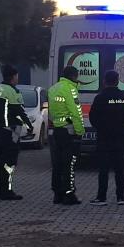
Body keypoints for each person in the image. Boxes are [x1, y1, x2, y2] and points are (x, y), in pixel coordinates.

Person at [89, 70, 124, 206]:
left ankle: (101, 197)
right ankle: (120, 197)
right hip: (119, 137)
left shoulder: (100, 98)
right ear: (117, 81)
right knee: (119, 169)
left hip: (104, 138)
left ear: (104, 81)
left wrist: (101, 127)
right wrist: (122, 126)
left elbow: (93, 117)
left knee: (103, 168)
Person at [0, 64, 33, 200]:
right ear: (13, 77)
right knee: (10, 161)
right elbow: (19, 112)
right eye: (17, 76)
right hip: (12, 131)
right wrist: (29, 125)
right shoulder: (13, 92)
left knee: (0, 160)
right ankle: (7, 191)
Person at [48, 65, 85, 205]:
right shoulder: (70, 89)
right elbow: (75, 113)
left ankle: (57, 194)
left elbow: (51, 112)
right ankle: (69, 194)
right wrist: (80, 131)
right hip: (69, 131)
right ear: (75, 76)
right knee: (69, 163)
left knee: (57, 163)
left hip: (57, 130)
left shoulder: (53, 88)